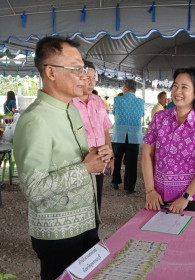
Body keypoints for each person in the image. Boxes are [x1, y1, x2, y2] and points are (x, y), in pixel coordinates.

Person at [13, 36, 112, 280]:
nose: (84, 75)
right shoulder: (35, 119)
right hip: (58, 233)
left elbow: (77, 159)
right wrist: (87, 167)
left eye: (85, 70)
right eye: (77, 69)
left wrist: (98, 155)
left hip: (86, 222)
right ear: (51, 72)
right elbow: (34, 189)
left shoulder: (71, 110)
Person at [142, 67, 195, 213]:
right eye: (175, 85)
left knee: (185, 235)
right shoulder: (159, 118)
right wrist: (150, 191)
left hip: (187, 200)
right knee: (155, 234)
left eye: (184, 87)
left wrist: (186, 197)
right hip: (157, 197)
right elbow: (146, 154)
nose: (177, 91)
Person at [72, 60, 113, 214]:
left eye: (93, 78)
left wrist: (110, 157)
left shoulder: (99, 102)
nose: (91, 82)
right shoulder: (70, 104)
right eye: (87, 78)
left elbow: (104, 130)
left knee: (96, 205)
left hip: (99, 163)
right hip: (80, 164)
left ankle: (93, 235)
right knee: (80, 206)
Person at [111, 79, 144, 195]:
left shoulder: (117, 99)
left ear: (125, 88)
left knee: (116, 159)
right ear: (135, 89)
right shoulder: (141, 102)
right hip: (134, 135)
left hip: (119, 134)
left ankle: (115, 181)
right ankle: (129, 187)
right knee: (131, 162)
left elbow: (114, 113)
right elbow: (142, 115)